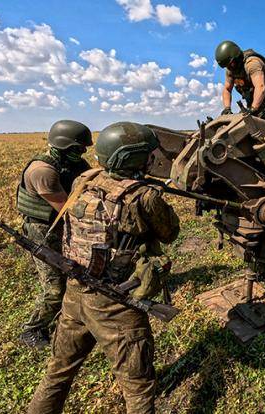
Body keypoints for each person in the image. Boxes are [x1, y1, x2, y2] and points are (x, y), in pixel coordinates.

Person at [27, 122, 180, 414]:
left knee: (58, 371)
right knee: (139, 386)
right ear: (134, 159)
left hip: (75, 293)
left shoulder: (83, 180)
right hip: (115, 301)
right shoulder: (143, 197)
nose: (152, 159)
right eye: (148, 155)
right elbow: (170, 233)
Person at [16, 120, 92, 348]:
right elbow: (69, 209)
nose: (83, 153)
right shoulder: (43, 171)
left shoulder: (74, 163)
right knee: (54, 286)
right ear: (64, 146)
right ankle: (33, 329)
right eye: (79, 149)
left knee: (75, 274)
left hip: (61, 227)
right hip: (42, 231)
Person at [216, 40, 265, 120]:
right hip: (255, 98)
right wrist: (227, 108)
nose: (230, 68)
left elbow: (261, 87)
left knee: (256, 123)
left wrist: (253, 109)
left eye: (231, 64)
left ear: (237, 56)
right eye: (227, 66)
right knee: (240, 122)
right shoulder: (230, 70)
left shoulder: (252, 63)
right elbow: (227, 89)